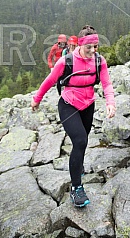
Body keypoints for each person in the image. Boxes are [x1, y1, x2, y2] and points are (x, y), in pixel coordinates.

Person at [31, 25, 116, 207]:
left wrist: (110, 102)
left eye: (96, 47)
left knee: (83, 140)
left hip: (88, 105)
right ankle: (76, 188)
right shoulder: (66, 62)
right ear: (80, 45)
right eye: (89, 48)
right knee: (80, 141)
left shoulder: (99, 61)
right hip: (68, 105)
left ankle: (78, 166)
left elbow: (107, 84)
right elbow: (49, 81)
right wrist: (36, 100)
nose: (93, 51)